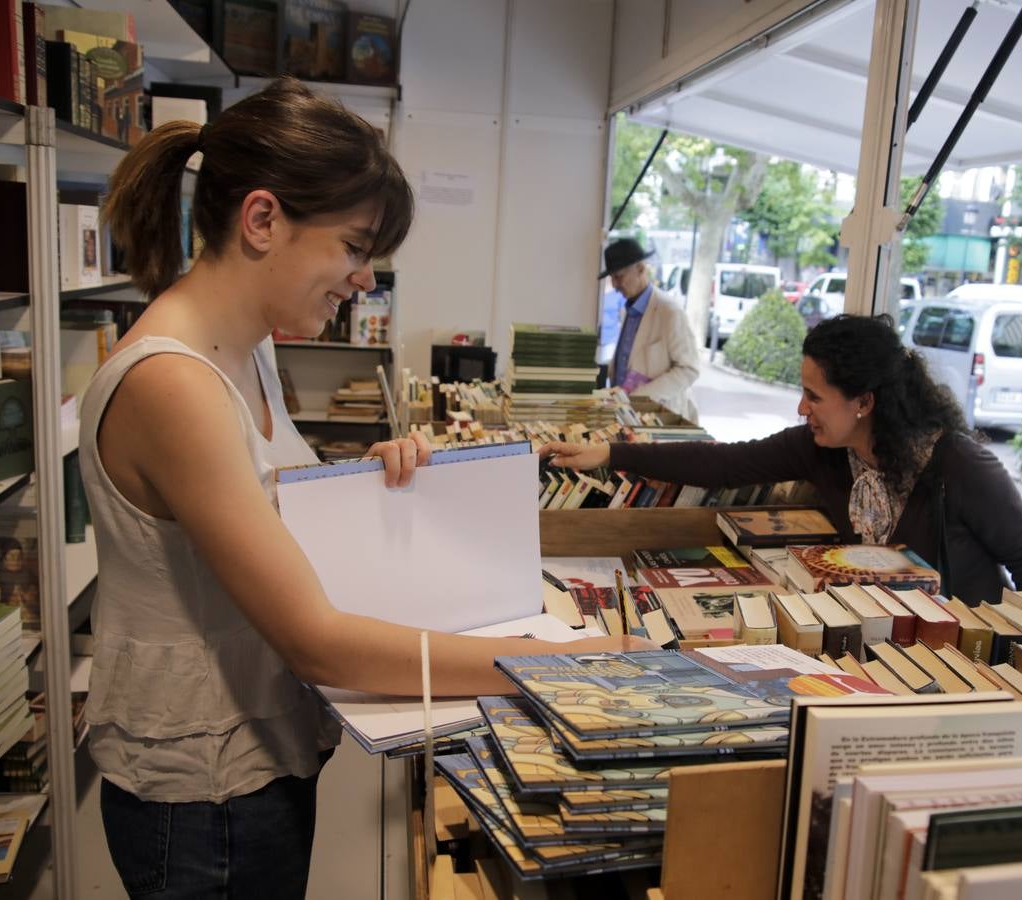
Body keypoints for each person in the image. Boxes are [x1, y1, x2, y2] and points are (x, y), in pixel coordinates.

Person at [91, 77, 643, 897]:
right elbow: (315, 639)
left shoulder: (244, 350)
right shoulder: (175, 383)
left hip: (258, 759)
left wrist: (374, 481)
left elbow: (267, 516)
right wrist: (551, 664)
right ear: (263, 220)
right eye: (352, 247)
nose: (363, 280)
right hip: (206, 796)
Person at [542, 314, 1022, 605]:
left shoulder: (959, 466)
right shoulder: (824, 451)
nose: (801, 408)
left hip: (959, 654)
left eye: (814, 396)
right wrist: (608, 452)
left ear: (864, 402)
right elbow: (722, 464)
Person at [599, 237, 700, 423]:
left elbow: (689, 369)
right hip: (625, 415)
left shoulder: (669, 311)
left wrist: (641, 397)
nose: (614, 285)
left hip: (659, 416)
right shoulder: (628, 309)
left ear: (640, 268)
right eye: (612, 278)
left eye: (619, 276)